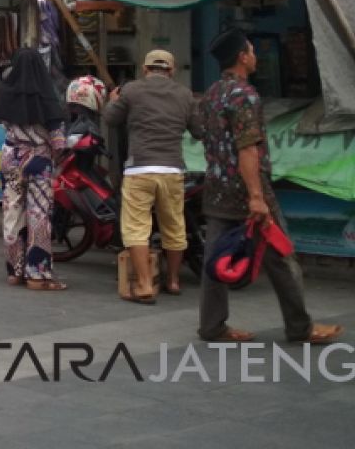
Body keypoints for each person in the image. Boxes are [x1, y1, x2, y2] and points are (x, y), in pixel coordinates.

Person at [196, 28, 342, 344]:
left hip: (217, 190)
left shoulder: (211, 94)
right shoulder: (244, 96)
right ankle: (300, 328)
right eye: (251, 50)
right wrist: (257, 197)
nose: (255, 56)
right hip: (248, 191)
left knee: (215, 261)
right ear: (242, 57)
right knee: (283, 256)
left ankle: (211, 326)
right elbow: (247, 148)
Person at [102, 52, 204, 304]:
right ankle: (173, 280)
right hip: (172, 170)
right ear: (171, 70)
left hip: (140, 169)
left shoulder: (132, 90)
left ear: (145, 69)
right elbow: (199, 131)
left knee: (136, 228)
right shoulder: (184, 94)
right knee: (174, 227)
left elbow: (111, 119)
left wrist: (112, 100)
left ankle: (145, 284)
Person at [0, 47, 68, 291]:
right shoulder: (47, 96)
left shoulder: (5, 94)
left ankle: (14, 271)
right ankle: (37, 274)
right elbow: (58, 140)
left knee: (12, 213)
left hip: (9, 158)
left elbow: (4, 123)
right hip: (38, 160)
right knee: (38, 216)